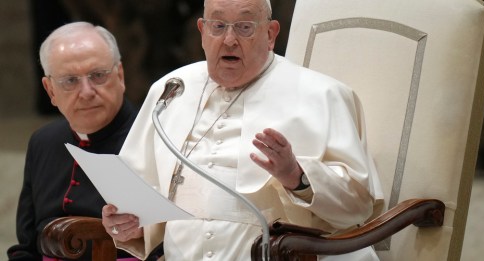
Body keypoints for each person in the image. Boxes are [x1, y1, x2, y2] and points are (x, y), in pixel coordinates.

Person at [102, 0, 383, 260]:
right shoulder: (172, 89)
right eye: (218, 25)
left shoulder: (323, 95)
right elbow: (136, 198)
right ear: (202, 31)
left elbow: (356, 208)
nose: (229, 40)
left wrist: (297, 177)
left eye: (245, 27)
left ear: (271, 34)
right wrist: (129, 224)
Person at [7, 22, 141, 261]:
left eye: (98, 75)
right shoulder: (43, 142)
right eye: (70, 81)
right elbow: (26, 246)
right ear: (50, 91)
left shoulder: (154, 137)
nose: (87, 91)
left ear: (120, 75)